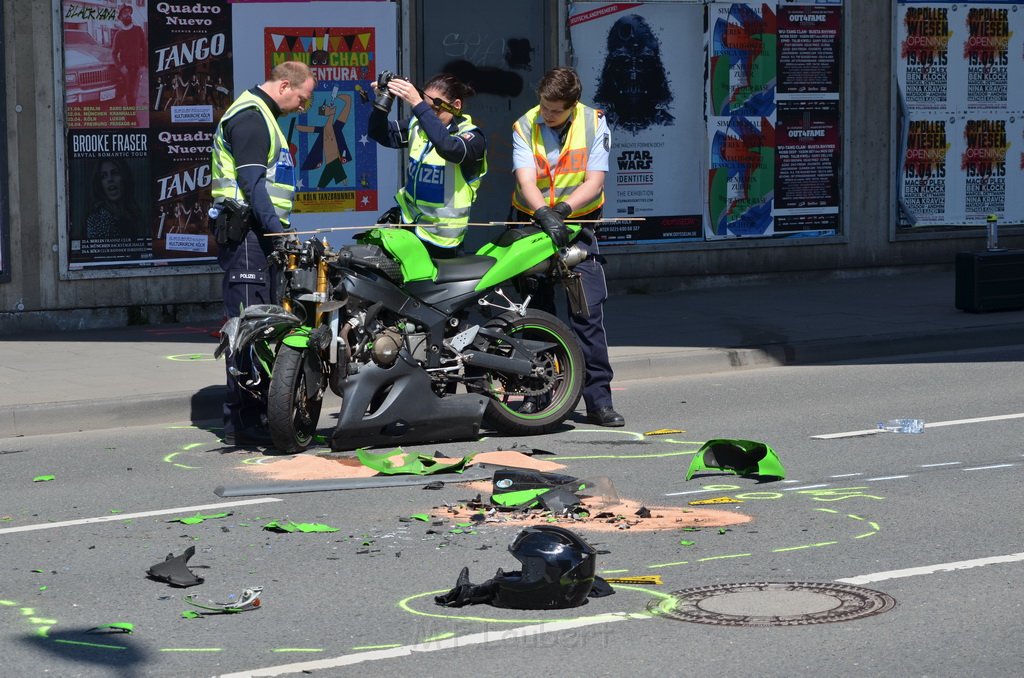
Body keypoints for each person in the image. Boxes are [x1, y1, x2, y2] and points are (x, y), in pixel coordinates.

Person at [510, 67, 624, 427]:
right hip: (532, 225)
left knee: (586, 314)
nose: (546, 114)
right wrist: (544, 212)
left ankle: (599, 402)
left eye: (555, 110)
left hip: (576, 228)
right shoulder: (524, 124)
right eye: (544, 105)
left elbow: (594, 181)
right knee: (534, 314)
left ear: (572, 106)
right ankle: (537, 395)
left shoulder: (595, 124)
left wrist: (562, 211)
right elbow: (526, 178)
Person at [210, 60, 315, 446]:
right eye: (302, 99)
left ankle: (256, 415)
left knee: (262, 326)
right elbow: (252, 186)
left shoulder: (264, 117)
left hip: (259, 237)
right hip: (249, 236)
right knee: (248, 328)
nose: (303, 107)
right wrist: (276, 231)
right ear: (285, 85)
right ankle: (243, 421)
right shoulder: (252, 119)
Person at [368, 73, 487, 258]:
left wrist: (418, 104)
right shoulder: (419, 125)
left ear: (456, 106)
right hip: (408, 225)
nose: (428, 114)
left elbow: (449, 148)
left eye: (435, 109)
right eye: (425, 107)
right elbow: (379, 133)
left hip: (442, 241)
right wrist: (384, 101)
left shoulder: (472, 136)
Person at [85, 157, 143, 239]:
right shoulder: (97, 220)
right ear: (100, 184)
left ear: (124, 177)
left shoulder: (134, 212)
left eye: (115, 173)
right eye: (104, 176)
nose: (110, 179)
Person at [111, 4, 146, 108]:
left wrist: (144, 65)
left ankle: (131, 115)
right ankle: (131, 116)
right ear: (120, 17)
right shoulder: (119, 34)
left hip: (137, 68)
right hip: (126, 69)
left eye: (129, 12)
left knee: (133, 93)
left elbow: (145, 48)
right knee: (129, 93)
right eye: (125, 13)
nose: (128, 14)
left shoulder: (138, 30)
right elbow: (113, 53)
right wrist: (121, 67)